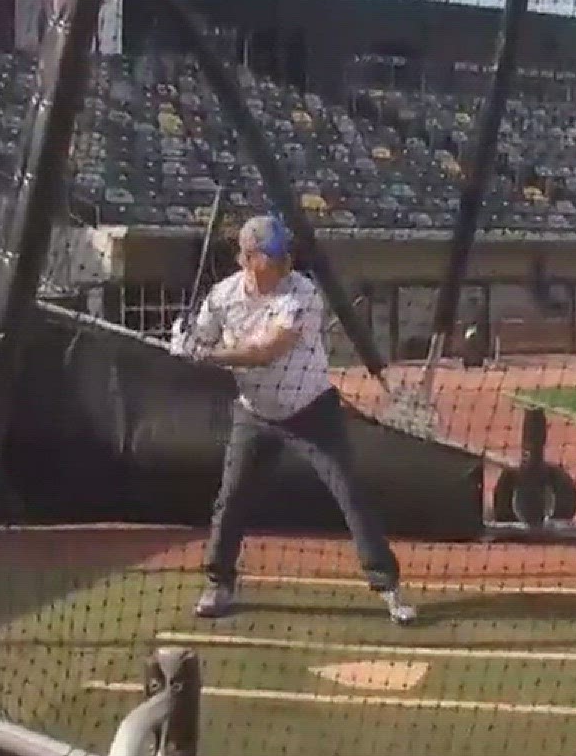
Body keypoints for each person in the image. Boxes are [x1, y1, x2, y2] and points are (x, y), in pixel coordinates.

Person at [170, 215, 416, 625]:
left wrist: (203, 354)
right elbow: (203, 339)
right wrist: (185, 340)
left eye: (285, 255)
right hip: (254, 413)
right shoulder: (222, 296)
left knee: (349, 494)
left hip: (312, 411)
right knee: (231, 500)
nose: (284, 263)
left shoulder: (302, 293)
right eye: (273, 257)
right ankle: (219, 582)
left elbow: (266, 351)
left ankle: (388, 586)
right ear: (247, 259)